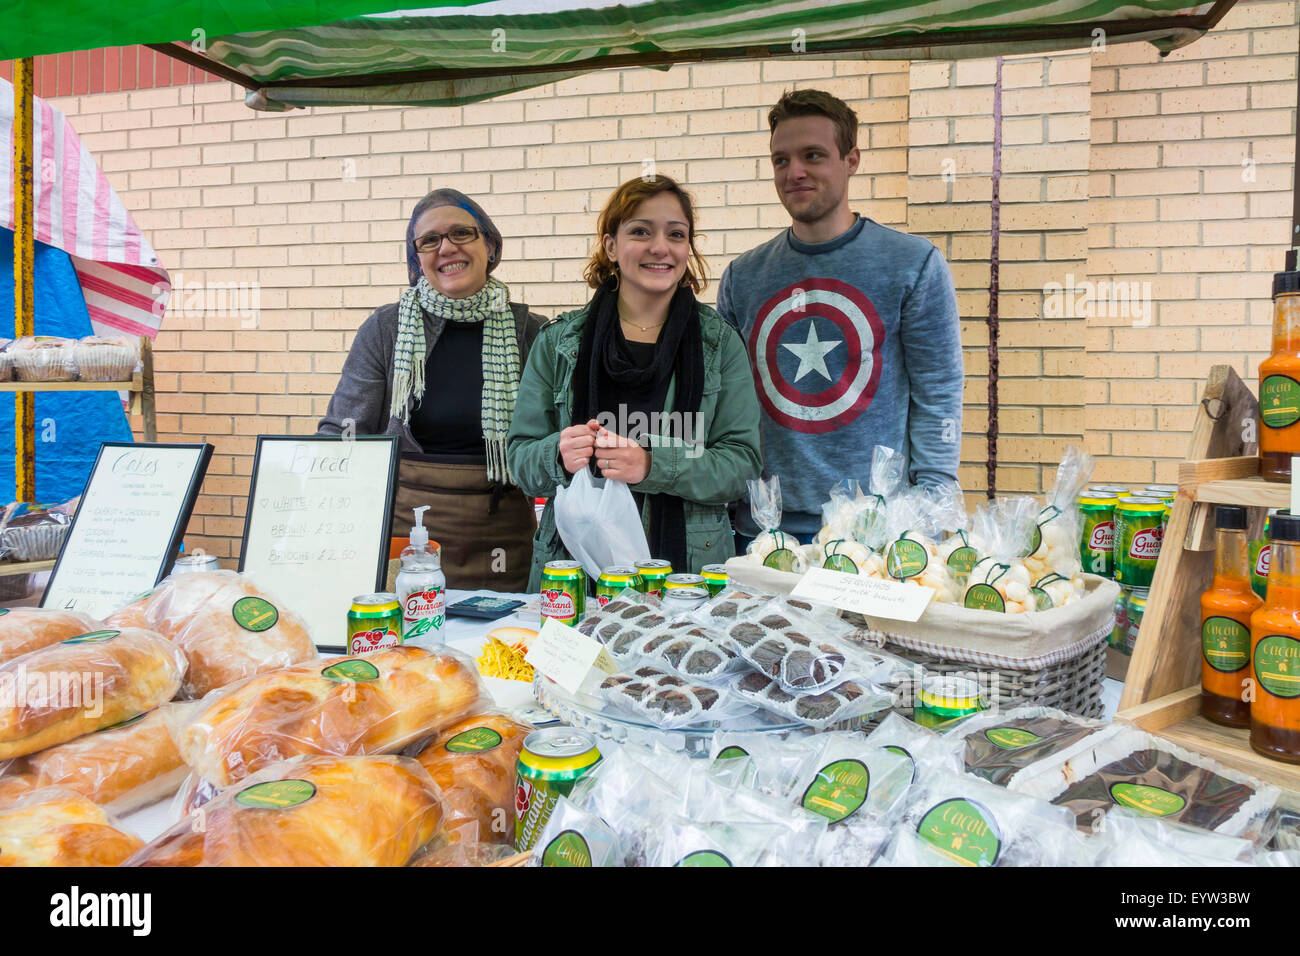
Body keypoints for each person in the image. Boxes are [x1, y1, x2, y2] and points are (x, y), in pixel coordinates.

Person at [716, 89, 964, 548]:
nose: (795, 172)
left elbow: (939, 391)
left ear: (851, 160)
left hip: (877, 533)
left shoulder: (914, 264)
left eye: (813, 155)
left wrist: (932, 509)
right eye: (781, 160)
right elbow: (728, 404)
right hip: (763, 532)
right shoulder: (742, 277)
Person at [508, 175, 762, 590]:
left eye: (676, 234)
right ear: (611, 245)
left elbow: (742, 465)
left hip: (689, 573)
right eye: (640, 231)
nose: (660, 247)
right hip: (575, 569)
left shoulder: (719, 343)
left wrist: (650, 464)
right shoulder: (558, 342)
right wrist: (557, 453)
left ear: (687, 248)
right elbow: (520, 460)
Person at [318, 188, 547, 591]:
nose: (447, 248)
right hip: (409, 540)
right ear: (417, 257)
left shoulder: (533, 333)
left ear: (489, 245)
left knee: (501, 648)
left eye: (462, 233)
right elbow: (343, 434)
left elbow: (554, 443)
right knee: (411, 650)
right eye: (430, 240)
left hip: (504, 540)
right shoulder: (386, 330)